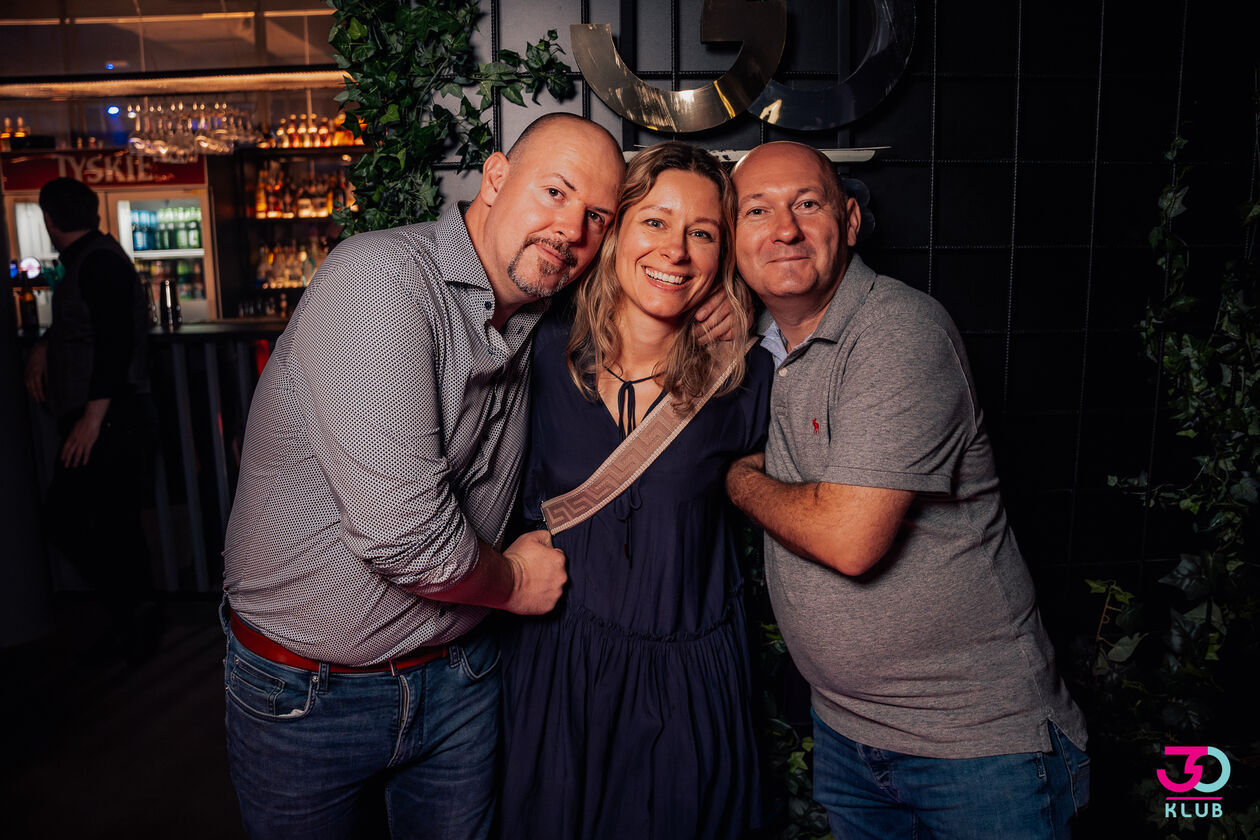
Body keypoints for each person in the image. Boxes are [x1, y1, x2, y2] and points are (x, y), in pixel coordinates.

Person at [221, 115, 733, 839]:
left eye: (595, 216)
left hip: (461, 679)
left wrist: (715, 301)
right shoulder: (382, 281)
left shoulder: (541, 309)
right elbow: (403, 538)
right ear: (495, 177)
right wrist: (517, 583)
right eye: (554, 192)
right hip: (312, 695)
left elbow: (656, 282)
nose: (570, 229)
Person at [724, 141, 1090, 839]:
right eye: (757, 211)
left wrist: (740, 480)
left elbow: (849, 539)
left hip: (975, 746)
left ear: (850, 221)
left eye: (807, 204)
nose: (785, 229)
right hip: (848, 736)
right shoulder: (764, 342)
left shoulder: (898, 331)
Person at [498, 141, 772, 839]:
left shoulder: (747, 381)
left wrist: (753, 316)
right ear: (616, 230)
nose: (675, 250)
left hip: (689, 683)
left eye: (702, 233)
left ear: (723, 255)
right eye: (654, 221)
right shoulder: (538, 350)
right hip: (559, 676)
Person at [24, 177, 157, 657]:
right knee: (110, 522)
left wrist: (92, 419)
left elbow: (115, 342)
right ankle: (133, 623)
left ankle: (134, 622)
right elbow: (88, 325)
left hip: (107, 417)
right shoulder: (94, 257)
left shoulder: (97, 261)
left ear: (49, 220)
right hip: (106, 415)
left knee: (75, 519)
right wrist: (45, 344)